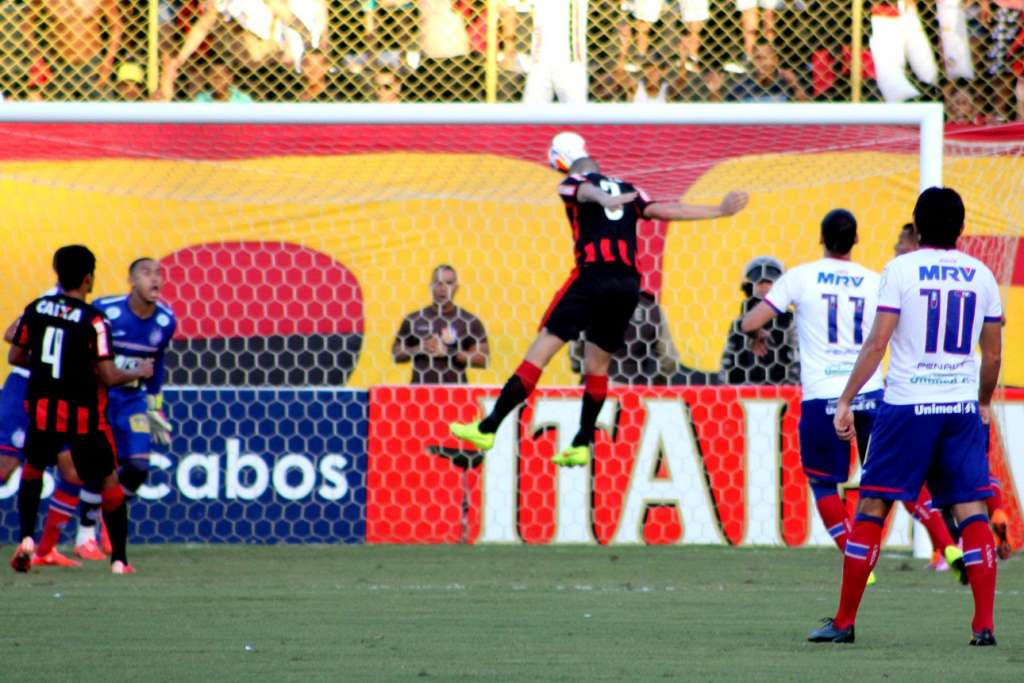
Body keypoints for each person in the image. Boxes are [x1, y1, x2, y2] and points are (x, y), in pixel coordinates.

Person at [450, 132, 748, 467]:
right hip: (628, 285)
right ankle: (581, 441)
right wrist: (719, 211)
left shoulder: (571, 184)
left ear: (560, 162)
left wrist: (598, 200)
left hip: (592, 276)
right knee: (598, 365)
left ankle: (488, 427)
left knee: (542, 349)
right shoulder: (629, 188)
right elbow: (668, 209)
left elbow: (583, 189)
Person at [809, 187, 1003, 646]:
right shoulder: (982, 274)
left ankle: (843, 622)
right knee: (971, 508)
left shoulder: (901, 269)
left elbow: (878, 343)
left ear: (916, 227)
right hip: (958, 407)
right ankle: (984, 626)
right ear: (961, 227)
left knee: (874, 505)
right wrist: (983, 400)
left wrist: (845, 398)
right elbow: (992, 355)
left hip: (907, 406)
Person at [741, 210, 884, 566]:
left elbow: (750, 321)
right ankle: (945, 545)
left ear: (821, 239)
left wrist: (758, 332)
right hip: (871, 392)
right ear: (857, 240)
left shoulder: (801, 277)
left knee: (823, 484)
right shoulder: (875, 281)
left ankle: (856, 559)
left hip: (824, 396)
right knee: (885, 481)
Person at [9, 245, 153, 575]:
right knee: (109, 481)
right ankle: (119, 560)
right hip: (85, 418)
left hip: (43, 412)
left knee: (33, 470)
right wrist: (138, 372)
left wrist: (49, 369)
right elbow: (108, 375)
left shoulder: (37, 309)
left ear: (57, 273)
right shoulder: (94, 320)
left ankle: (28, 539)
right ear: (89, 279)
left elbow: (15, 356)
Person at [34, 258, 177, 562]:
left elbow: (157, 363)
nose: (155, 280)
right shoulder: (106, 310)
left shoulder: (165, 321)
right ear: (131, 280)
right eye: (146, 273)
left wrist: (156, 405)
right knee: (95, 469)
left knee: (138, 466)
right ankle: (85, 534)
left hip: (133, 401)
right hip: (99, 398)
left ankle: (105, 519)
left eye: (159, 274)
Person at [392, 265, 489, 384]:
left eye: (449, 283)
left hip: (456, 394)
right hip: (419, 393)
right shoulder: (414, 319)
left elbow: (483, 359)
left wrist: (448, 352)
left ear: (456, 288)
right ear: (431, 286)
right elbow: (396, 354)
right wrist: (420, 348)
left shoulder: (469, 321)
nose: (443, 288)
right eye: (438, 283)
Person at [721, 256, 799, 385]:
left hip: (782, 390)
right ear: (750, 286)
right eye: (759, 283)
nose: (764, 287)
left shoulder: (789, 321)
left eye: (769, 282)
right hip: (744, 390)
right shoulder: (739, 323)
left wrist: (790, 389)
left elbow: (797, 360)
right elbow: (727, 361)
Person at [22, 0, 123, 100]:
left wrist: (107, 63)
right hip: (59, 64)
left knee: (103, 112)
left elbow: (116, 27)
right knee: (56, 113)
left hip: (92, 64)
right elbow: (27, 24)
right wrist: (37, 58)